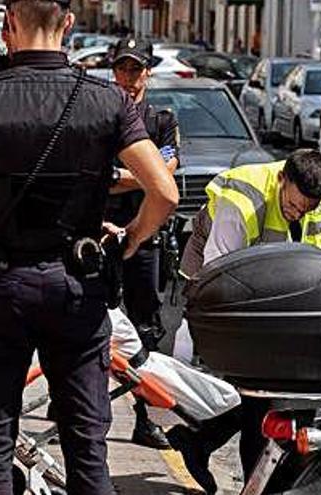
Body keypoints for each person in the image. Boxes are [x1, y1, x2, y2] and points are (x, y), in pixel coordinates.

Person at [0, 0, 179, 493]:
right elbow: (164, 191)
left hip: (2, 287)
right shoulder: (107, 101)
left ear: (9, 24)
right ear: (70, 26)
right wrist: (130, 239)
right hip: (77, 290)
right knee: (86, 447)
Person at [168, 148, 321, 494]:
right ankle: (257, 480)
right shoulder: (240, 205)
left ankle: (205, 443)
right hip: (223, 285)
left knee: (301, 389)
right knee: (259, 390)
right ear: (283, 178)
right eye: (293, 205)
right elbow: (219, 280)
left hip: (284, 292)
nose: (300, 214)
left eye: (308, 208)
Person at [107, 37, 179, 450]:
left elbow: (166, 177)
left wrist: (124, 178)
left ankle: (145, 416)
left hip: (145, 235)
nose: (129, 78)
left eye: (136, 69)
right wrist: (147, 177)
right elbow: (103, 178)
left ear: (148, 71)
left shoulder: (161, 120)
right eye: (122, 69)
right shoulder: (102, 115)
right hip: (103, 230)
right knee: (88, 321)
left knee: (145, 327)